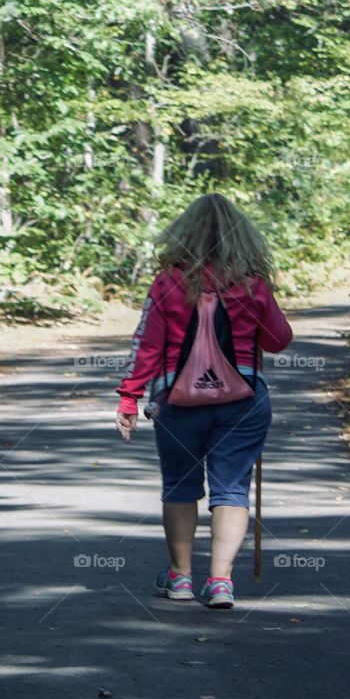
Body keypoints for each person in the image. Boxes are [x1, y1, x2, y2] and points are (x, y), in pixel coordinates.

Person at [115, 193, 292, 609]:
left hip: (177, 402)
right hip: (244, 400)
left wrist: (129, 398)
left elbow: (147, 346)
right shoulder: (252, 283)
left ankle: (179, 578)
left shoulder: (167, 282)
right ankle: (220, 582)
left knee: (179, 486)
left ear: (185, 233)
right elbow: (279, 341)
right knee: (231, 490)